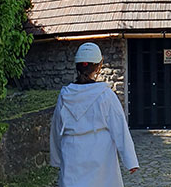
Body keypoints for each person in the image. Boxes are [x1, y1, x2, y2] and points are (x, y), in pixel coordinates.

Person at [50, 42, 139, 187]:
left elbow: (56, 128)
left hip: (72, 153)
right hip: (100, 155)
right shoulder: (106, 95)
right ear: (98, 67)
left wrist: (57, 158)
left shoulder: (65, 96)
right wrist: (130, 161)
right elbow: (120, 128)